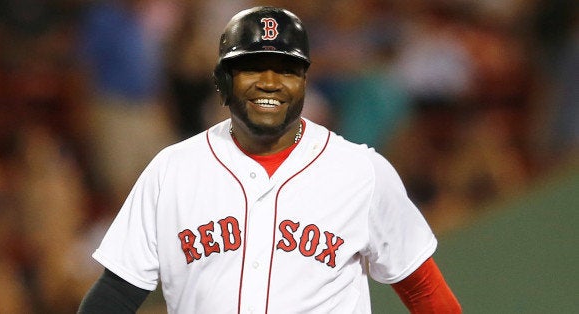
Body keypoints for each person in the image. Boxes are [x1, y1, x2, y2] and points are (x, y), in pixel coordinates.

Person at [78, 6, 461, 313]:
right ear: (224, 80)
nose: (270, 82)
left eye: (286, 69)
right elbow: (116, 293)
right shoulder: (173, 170)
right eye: (252, 67)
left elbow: (425, 291)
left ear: (305, 81)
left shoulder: (362, 172)